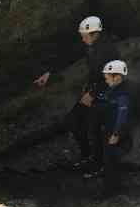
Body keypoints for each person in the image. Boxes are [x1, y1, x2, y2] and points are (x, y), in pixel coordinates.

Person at [34, 16, 121, 171]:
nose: (82, 39)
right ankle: (89, 157)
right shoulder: (90, 45)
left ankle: (99, 165)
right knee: (74, 121)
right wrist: (49, 73)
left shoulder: (109, 50)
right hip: (94, 91)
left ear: (95, 34)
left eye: (85, 36)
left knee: (94, 129)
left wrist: (93, 93)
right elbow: (70, 55)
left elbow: (114, 78)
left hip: (106, 94)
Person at [96, 60, 133, 197]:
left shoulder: (123, 94)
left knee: (110, 159)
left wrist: (116, 134)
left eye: (107, 78)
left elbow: (122, 116)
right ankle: (112, 183)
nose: (106, 81)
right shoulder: (115, 88)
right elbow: (106, 97)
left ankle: (110, 190)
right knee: (109, 158)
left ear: (117, 77)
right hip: (109, 128)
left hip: (115, 131)